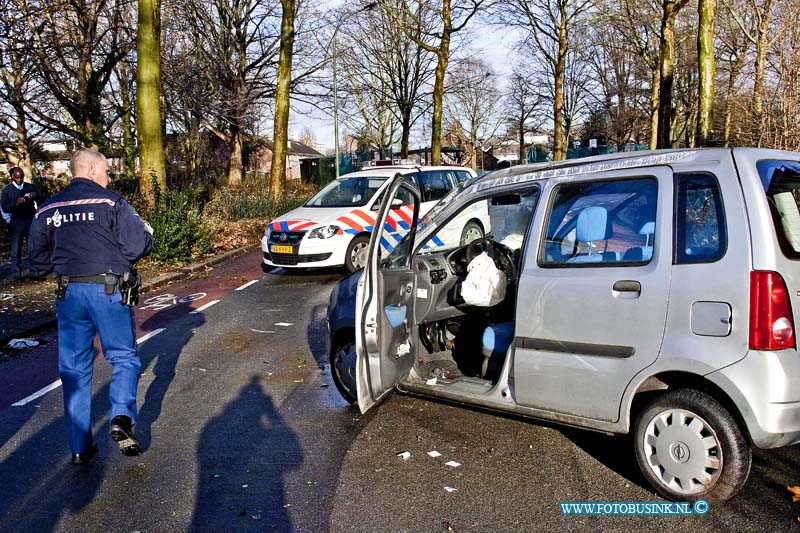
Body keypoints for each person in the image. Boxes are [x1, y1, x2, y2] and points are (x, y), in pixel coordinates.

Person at [29, 148, 154, 465]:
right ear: (93, 169)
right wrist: (146, 233)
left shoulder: (48, 208)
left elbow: (38, 260)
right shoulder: (111, 202)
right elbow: (136, 245)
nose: (108, 177)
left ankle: (79, 446)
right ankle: (121, 418)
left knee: (73, 369)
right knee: (123, 356)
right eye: (107, 171)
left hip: (69, 292)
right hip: (107, 290)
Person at [1, 167, 40, 281]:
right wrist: (16, 204)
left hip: (30, 220)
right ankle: (16, 275)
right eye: (17, 177)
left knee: (32, 247)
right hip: (16, 222)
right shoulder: (7, 190)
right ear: (12, 176)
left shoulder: (30, 187)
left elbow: (41, 200)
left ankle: (34, 273)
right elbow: (4, 207)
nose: (19, 179)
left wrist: (35, 195)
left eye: (21, 177)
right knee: (15, 249)